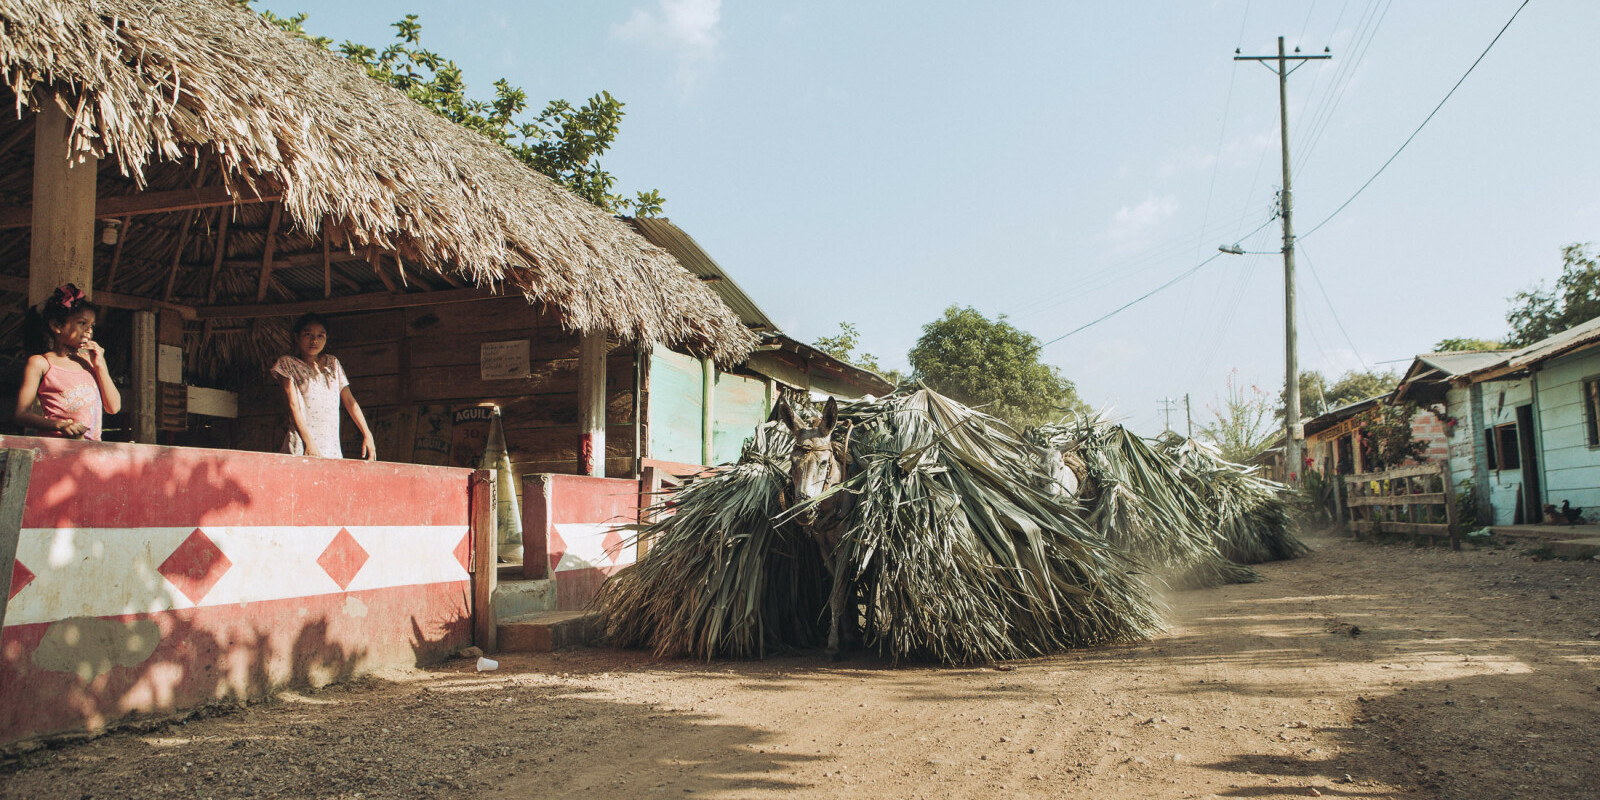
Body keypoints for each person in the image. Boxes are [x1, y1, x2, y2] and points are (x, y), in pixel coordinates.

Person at [13, 284, 122, 440]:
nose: (88, 331)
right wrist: (61, 425)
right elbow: (21, 414)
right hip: (56, 448)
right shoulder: (41, 363)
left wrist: (101, 365)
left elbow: (114, 407)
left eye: (91, 325)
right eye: (82, 323)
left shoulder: (90, 362)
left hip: (88, 450)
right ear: (56, 326)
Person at [271, 313, 376, 460]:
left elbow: (349, 401)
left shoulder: (332, 364)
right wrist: (308, 443)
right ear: (297, 337)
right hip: (302, 445)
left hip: (330, 446)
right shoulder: (287, 364)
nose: (314, 340)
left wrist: (367, 433)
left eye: (321, 335)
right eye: (308, 334)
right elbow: (293, 405)